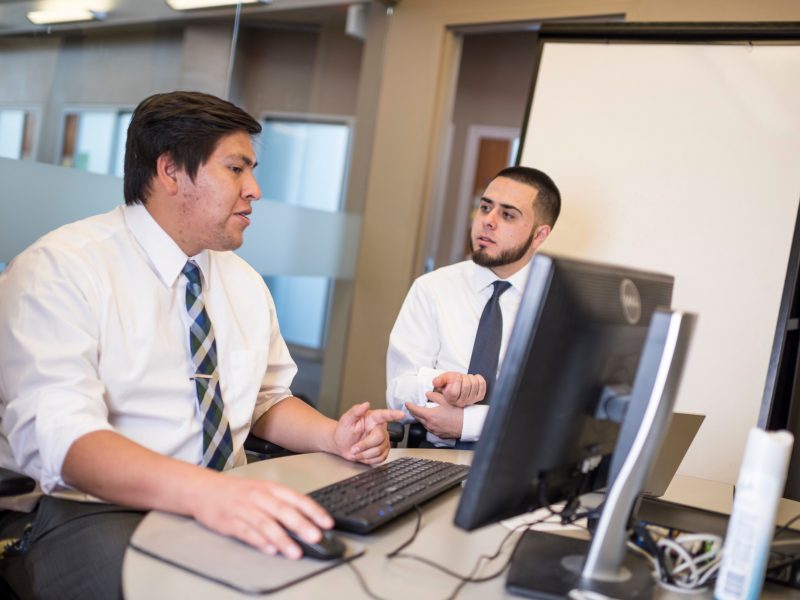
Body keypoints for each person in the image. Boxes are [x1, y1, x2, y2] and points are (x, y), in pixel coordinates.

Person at [0, 90, 404, 599]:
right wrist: (206, 494)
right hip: (94, 507)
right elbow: (63, 439)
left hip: (221, 494)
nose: (254, 189)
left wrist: (333, 436)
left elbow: (264, 400)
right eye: (237, 169)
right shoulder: (60, 270)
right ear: (170, 171)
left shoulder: (244, 283)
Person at [386, 166, 560, 448]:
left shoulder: (557, 308)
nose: (487, 221)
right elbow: (397, 394)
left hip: (517, 466)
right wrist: (439, 383)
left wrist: (467, 424)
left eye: (507, 214)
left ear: (539, 236)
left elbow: (552, 415)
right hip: (432, 460)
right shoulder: (432, 288)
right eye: (485, 208)